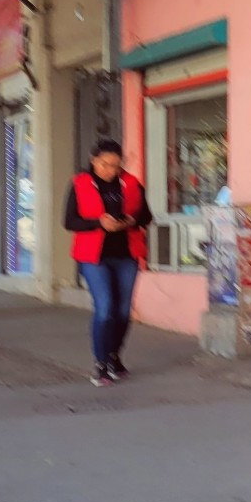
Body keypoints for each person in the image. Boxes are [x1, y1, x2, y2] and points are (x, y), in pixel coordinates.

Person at [63, 138, 152, 386]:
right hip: (93, 256)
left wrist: (129, 221)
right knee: (105, 308)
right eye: (106, 164)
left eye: (116, 165)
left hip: (126, 254)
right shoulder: (79, 183)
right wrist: (98, 223)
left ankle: (114, 356)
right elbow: (69, 221)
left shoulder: (132, 183)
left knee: (123, 312)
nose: (111, 170)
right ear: (94, 161)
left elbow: (146, 215)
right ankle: (100, 364)